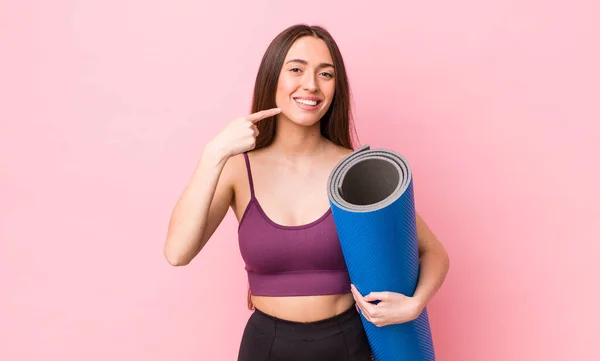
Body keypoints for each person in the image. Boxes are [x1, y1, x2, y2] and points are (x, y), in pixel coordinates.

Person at [164, 24, 450, 361]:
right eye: (296, 69)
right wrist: (213, 154)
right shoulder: (236, 169)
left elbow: (434, 253)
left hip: (347, 344)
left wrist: (413, 306)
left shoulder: (353, 169)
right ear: (273, 78)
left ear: (336, 87)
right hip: (265, 346)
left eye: (325, 74)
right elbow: (177, 253)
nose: (311, 85)